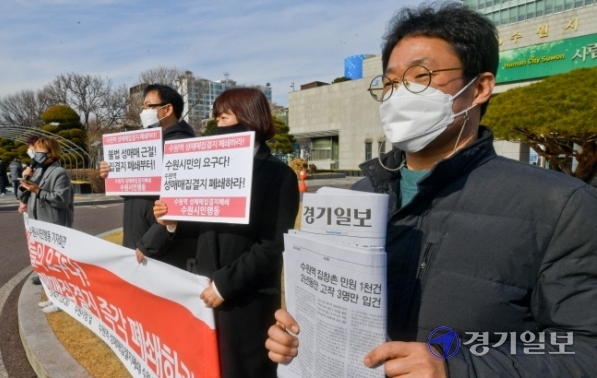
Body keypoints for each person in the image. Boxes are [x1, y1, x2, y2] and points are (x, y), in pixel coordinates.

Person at [266, 3, 597, 377]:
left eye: (420, 76)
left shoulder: (561, 207)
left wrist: (457, 368)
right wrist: (298, 334)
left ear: (480, 88)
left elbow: (585, 349)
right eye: (390, 82)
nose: (399, 95)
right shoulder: (357, 195)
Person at [153, 87, 300, 378]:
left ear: (248, 117)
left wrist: (224, 285)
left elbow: (272, 245)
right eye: (216, 118)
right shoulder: (208, 168)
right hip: (203, 295)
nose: (217, 126)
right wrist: (173, 221)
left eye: (223, 117)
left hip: (247, 301)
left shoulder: (278, 175)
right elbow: (200, 227)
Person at [100, 84, 196, 269]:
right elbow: (136, 193)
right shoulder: (145, 144)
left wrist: (149, 244)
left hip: (161, 249)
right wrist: (113, 176)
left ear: (167, 109)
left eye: (149, 106)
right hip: (139, 240)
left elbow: (181, 204)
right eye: (143, 107)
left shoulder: (183, 147)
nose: (143, 112)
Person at [19, 137, 74, 313]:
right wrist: (26, 183)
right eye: (36, 151)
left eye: (41, 151)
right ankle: (53, 297)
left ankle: (62, 300)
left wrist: (38, 190)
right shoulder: (38, 171)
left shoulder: (59, 173)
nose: (37, 155)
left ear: (52, 153)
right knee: (47, 265)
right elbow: (25, 195)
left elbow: (62, 201)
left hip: (54, 224)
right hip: (39, 225)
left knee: (58, 265)